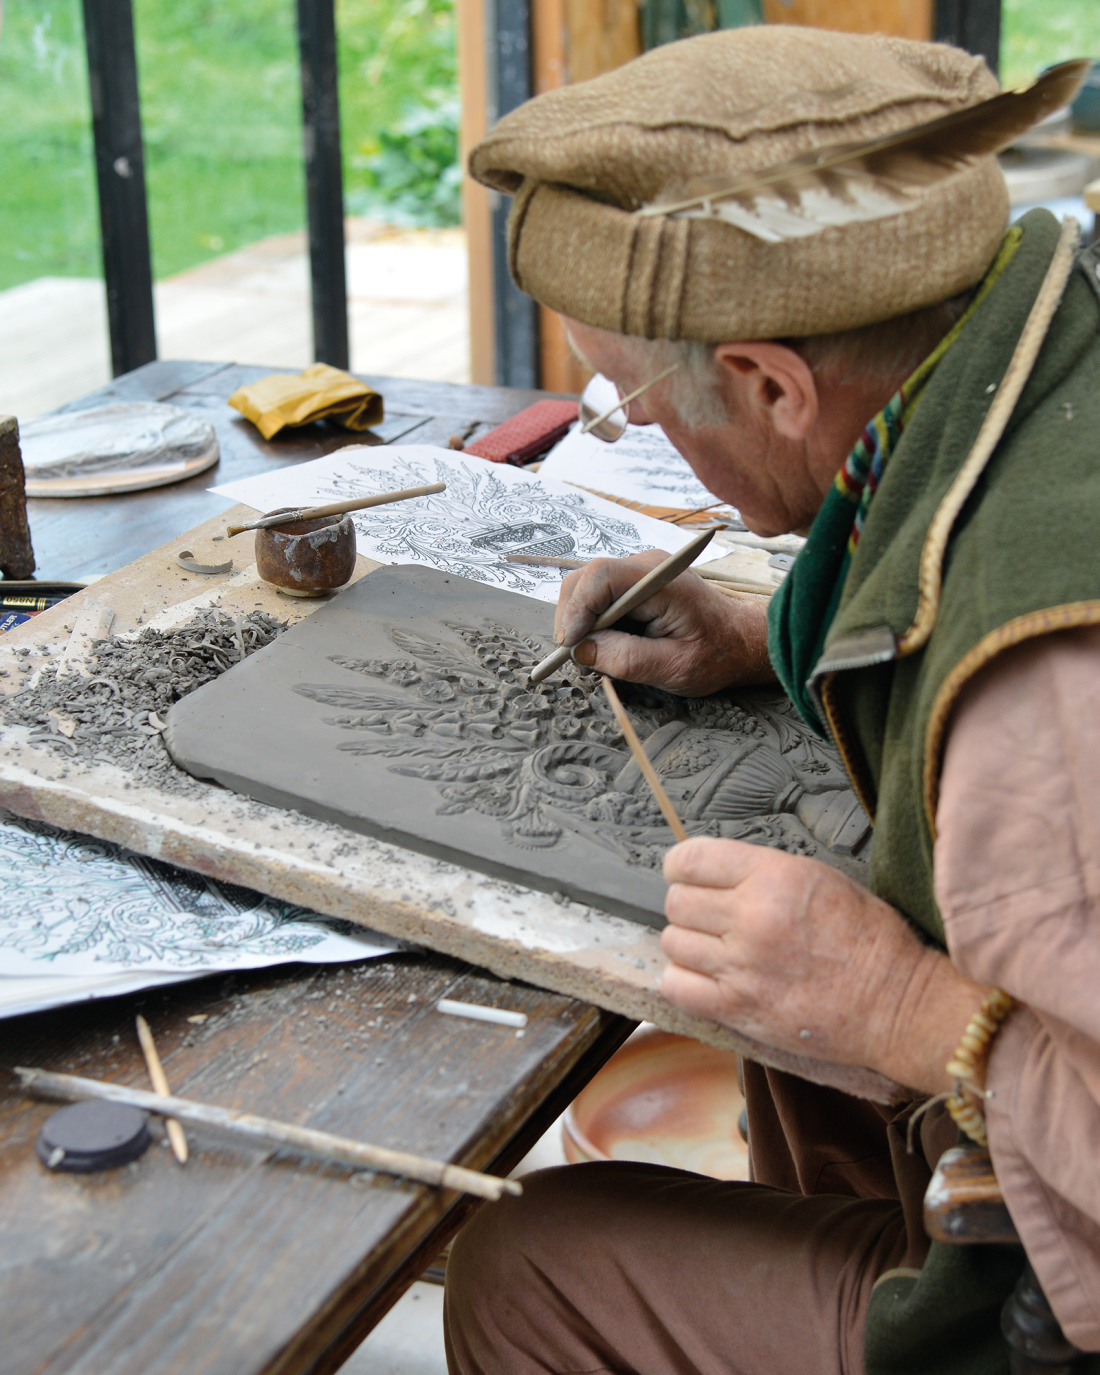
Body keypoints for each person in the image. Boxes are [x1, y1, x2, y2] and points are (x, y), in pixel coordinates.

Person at [444, 25, 1100, 1375]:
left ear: (769, 383)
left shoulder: (1043, 695)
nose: (637, 427)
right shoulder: (1042, 337)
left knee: (526, 1265)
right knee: (793, 1044)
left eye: (630, 408)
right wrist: (762, 636)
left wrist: (900, 1006)